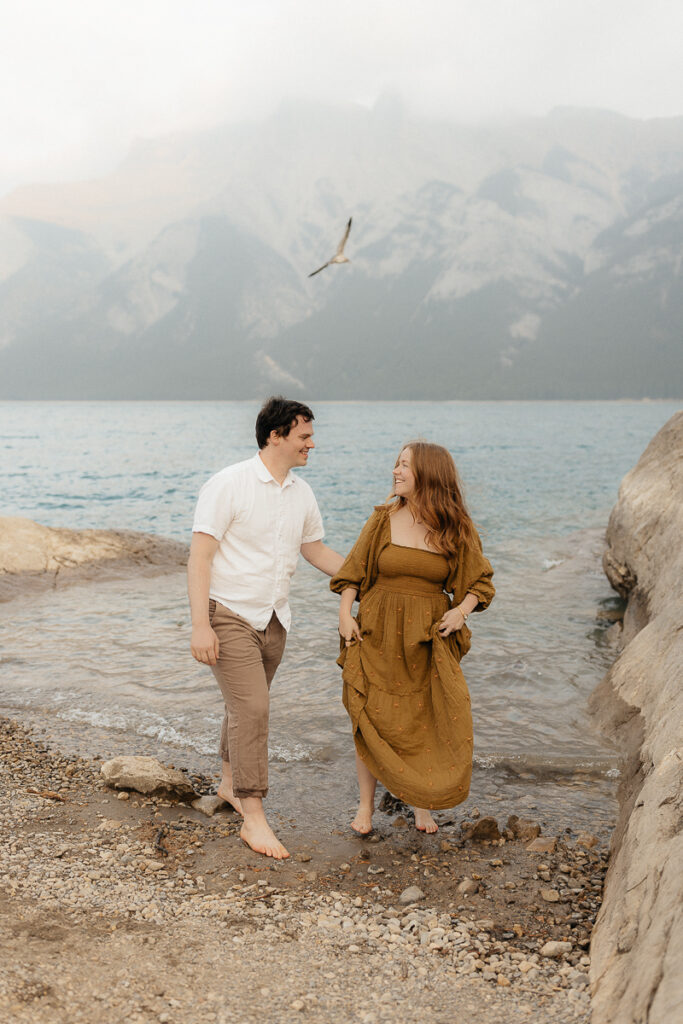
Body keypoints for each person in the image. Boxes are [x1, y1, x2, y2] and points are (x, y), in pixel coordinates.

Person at [188, 396, 344, 859]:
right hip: (228, 613)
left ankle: (230, 784)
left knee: (243, 708)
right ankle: (254, 819)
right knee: (253, 709)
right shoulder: (228, 484)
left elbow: (315, 551)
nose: (311, 444)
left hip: (274, 619)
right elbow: (200, 557)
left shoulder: (301, 493)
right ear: (275, 436)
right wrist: (201, 626)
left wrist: (369, 576)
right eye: (304, 436)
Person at [330, 441, 494, 835]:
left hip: (425, 640)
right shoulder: (383, 518)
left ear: (429, 474)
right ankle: (366, 808)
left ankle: (423, 805)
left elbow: (479, 581)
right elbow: (353, 571)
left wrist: (460, 611)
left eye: (405, 465)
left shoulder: (455, 527)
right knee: (369, 717)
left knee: (427, 718)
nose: (396, 471)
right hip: (376, 634)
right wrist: (344, 616)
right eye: (397, 464)